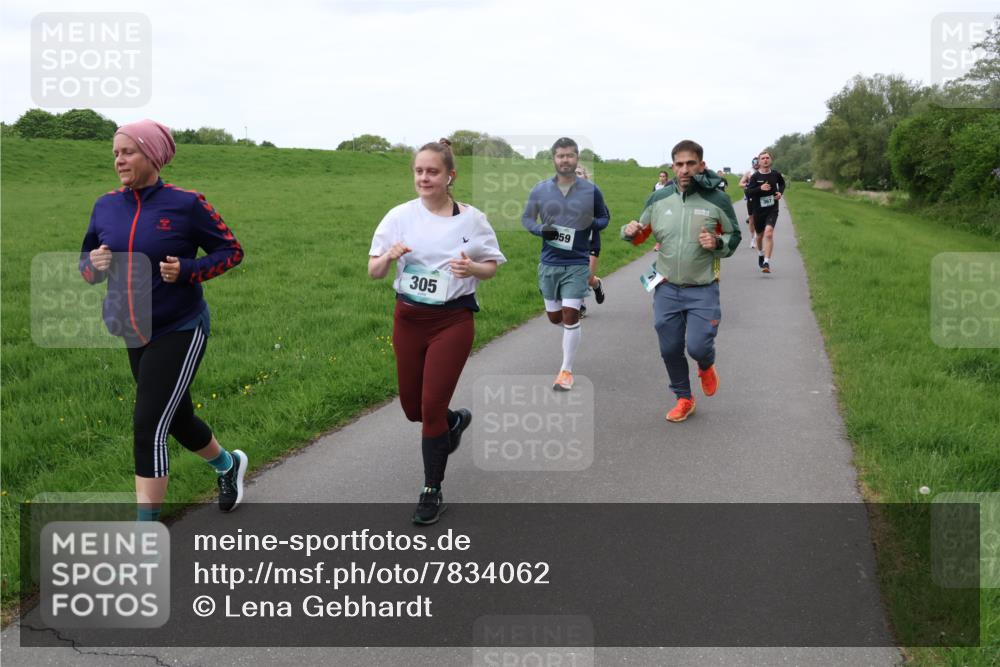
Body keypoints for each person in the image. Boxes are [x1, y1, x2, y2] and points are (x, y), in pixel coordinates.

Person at [79, 119, 247, 521]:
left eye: (128, 151)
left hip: (180, 326)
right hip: (132, 328)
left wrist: (188, 269)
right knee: (178, 417)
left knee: (149, 424)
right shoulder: (105, 206)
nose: (119, 159)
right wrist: (94, 265)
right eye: (116, 152)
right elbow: (87, 266)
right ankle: (228, 465)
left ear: (152, 155)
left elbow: (231, 251)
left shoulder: (186, 204)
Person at [368, 138, 505, 525]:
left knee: (429, 409)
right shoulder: (398, 217)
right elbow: (374, 271)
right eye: (419, 171)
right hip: (408, 319)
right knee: (413, 408)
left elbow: (492, 265)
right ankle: (454, 422)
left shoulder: (472, 220)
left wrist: (472, 270)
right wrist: (390, 257)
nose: (424, 178)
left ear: (450, 176)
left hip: (452, 320)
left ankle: (431, 489)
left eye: (433, 172)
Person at [621, 140, 740, 422]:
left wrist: (717, 242)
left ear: (700, 165)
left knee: (697, 346)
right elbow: (641, 234)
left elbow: (734, 237)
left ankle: (706, 364)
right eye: (679, 164)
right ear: (672, 166)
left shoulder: (717, 200)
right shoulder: (658, 199)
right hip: (666, 287)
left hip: (703, 288)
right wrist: (629, 231)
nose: (684, 169)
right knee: (670, 348)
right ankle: (684, 398)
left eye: (690, 163)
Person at [522, 138, 610, 391]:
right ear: (554, 159)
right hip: (549, 262)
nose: (565, 160)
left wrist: (590, 222)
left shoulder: (590, 190)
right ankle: (572, 332)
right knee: (554, 318)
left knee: (570, 315)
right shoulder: (540, 189)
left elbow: (605, 217)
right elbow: (527, 219)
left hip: (577, 262)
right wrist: (541, 230)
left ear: (577, 158)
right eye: (561, 156)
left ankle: (565, 371)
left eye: (570, 155)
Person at [744, 151, 786, 273]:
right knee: (759, 236)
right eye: (763, 158)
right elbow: (748, 192)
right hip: (758, 210)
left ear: (771, 160)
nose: (765, 160)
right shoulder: (755, 177)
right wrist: (760, 188)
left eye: (767, 158)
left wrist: (780, 193)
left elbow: (782, 184)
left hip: (772, 208)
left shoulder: (775, 174)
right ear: (759, 161)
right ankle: (760, 254)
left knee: (769, 233)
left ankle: (766, 262)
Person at [574, 165, 606, 318]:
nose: (576, 175)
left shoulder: (593, 195)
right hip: (572, 244)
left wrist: (591, 222)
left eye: (579, 173)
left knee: (587, 278)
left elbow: (605, 218)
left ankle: (597, 284)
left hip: (591, 242)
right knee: (575, 275)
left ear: (585, 177)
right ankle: (580, 306)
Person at [739, 156, 760, 249]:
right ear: (752, 163)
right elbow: (740, 184)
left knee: (760, 220)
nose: (756, 164)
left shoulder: (763, 171)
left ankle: (759, 237)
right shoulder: (749, 173)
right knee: (751, 220)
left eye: (757, 162)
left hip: (762, 198)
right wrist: (747, 184)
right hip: (751, 198)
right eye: (754, 163)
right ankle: (753, 239)